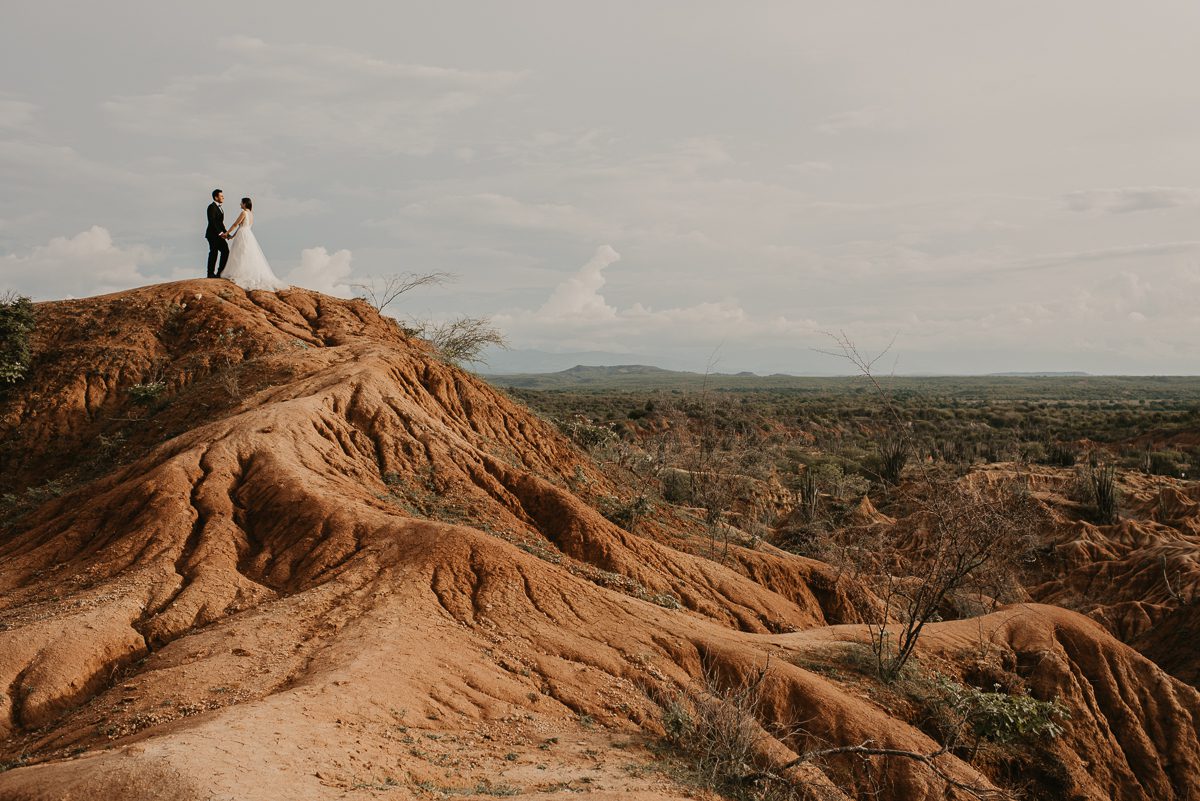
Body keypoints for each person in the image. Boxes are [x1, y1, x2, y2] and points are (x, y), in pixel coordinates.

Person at [221, 197, 289, 291]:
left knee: (239, 254)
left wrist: (227, 233)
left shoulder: (244, 212)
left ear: (245, 204)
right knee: (246, 254)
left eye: (241, 203)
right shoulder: (251, 214)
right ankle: (243, 273)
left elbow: (236, 224)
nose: (240, 204)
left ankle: (239, 274)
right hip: (248, 234)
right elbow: (243, 226)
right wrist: (232, 236)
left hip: (243, 235)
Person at [205, 188, 229, 278]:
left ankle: (220, 273)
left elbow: (220, 223)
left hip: (219, 235)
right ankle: (210, 273)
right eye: (221, 196)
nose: (223, 197)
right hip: (212, 235)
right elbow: (212, 221)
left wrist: (227, 233)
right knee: (213, 252)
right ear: (216, 197)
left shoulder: (220, 209)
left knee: (225, 251)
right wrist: (220, 233)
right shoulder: (211, 207)